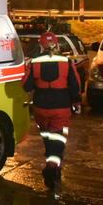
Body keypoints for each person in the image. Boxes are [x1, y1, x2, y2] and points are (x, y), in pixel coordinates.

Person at [21, 31, 82, 190]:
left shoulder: (34, 62)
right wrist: (77, 102)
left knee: (48, 138)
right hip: (60, 107)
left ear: (41, 45)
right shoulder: (66, 62)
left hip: (40, 107)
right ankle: (52, 167)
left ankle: (52, 164)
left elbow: (26, 85)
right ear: (56, 44)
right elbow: (75, 84)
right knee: (58, 140)